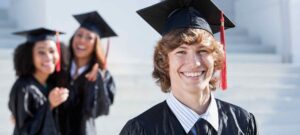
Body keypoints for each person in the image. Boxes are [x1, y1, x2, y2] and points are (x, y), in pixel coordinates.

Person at [120, 0, 258, 135]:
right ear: (164, 61)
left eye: (202, 51)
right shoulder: (141, 130)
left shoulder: (243, 124)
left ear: (215, 57)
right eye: (181, 52)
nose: (194, 63)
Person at [58, 11, 117, 135]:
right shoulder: (61, 67)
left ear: (96, 44)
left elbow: (102, 110)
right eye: (79, 35)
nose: (82, 41)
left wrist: (97, 83)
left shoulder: (103, 74)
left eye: (89, 37)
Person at [8, 28, 69, 135]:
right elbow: (25, 131)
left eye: (52, 51)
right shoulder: (23, 88)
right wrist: (49, 105)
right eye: (41, 52)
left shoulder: (52, 83)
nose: (48, 57)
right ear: (30, 56)